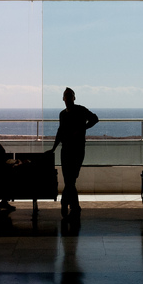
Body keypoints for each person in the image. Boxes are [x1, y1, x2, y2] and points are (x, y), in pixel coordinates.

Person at [47, 87, 98, 220]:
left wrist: (81, 129)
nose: (68, 98)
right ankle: (74, 207)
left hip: (75, 149)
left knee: (70, 180)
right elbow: (60, 131)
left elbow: (95, 118)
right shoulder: (64, 114)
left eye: (69, 96)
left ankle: (66, 203)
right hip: (70, 149)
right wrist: (54, 148)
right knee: (70, 180)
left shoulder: (78, 110)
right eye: (67, 96)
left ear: (73, 98)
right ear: (64, 98)